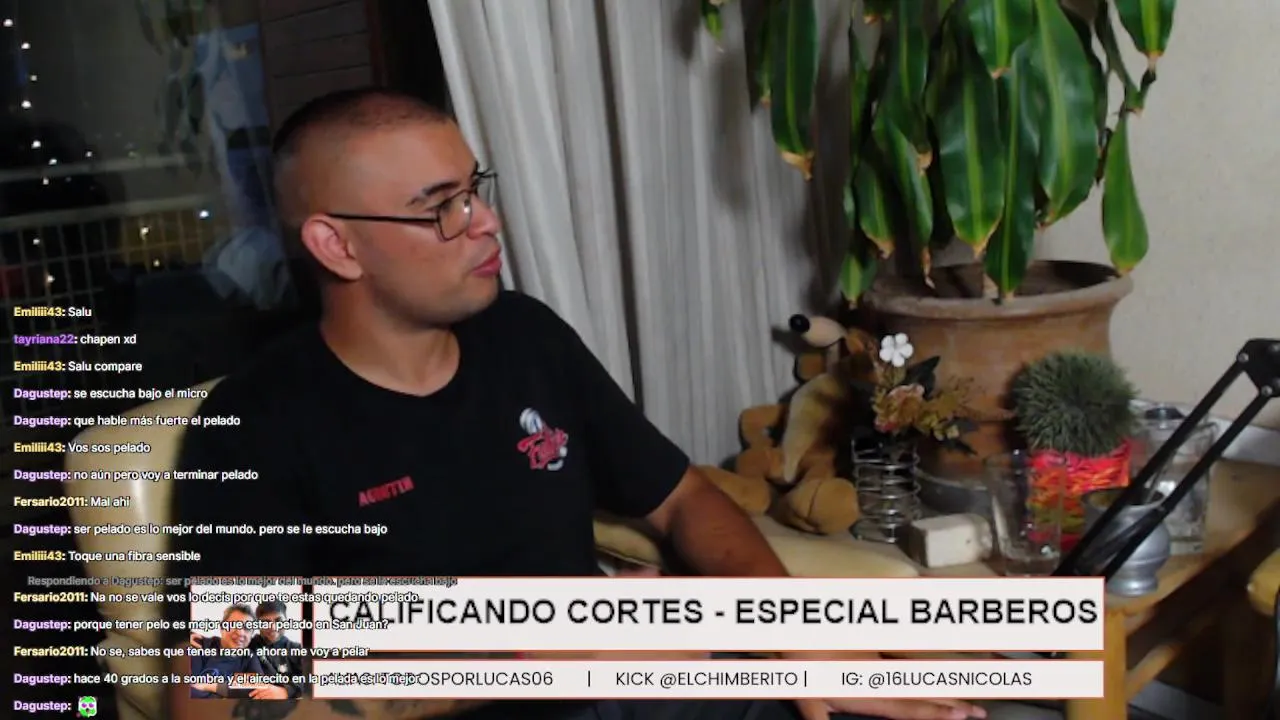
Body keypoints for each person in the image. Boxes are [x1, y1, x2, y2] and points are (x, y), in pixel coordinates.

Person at [164, 86, 985, 720]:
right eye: (440, 207)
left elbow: (683, 499)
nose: (486, 223)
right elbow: (218, 697)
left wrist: (781, 632)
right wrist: (539, 651)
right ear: (336, 245)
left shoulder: (523, 336)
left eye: (475, 189)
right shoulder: (257, 425)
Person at [189, 604, 273, 698]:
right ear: (222, 628)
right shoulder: (200, 645)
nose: (240, 632)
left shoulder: (249, 658)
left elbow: (258, 688)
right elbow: (190, 689)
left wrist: (211, 686)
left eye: (247, 628)